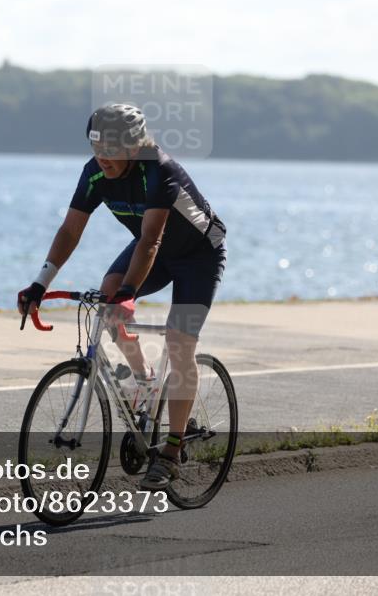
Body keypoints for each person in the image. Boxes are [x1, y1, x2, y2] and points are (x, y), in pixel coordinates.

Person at [17, 103, 227, 490]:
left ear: (134, 146)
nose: (102, 157)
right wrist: (40, 282)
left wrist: (130, 293)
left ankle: (171, 451)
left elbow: (150, 240)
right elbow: (70, 230)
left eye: (110, 149)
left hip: (197, 255)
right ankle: (145, 380)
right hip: (155, 250)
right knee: (107, 296)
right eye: (96, 146)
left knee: (180, 343)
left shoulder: (158, 170)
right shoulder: (95, 172)